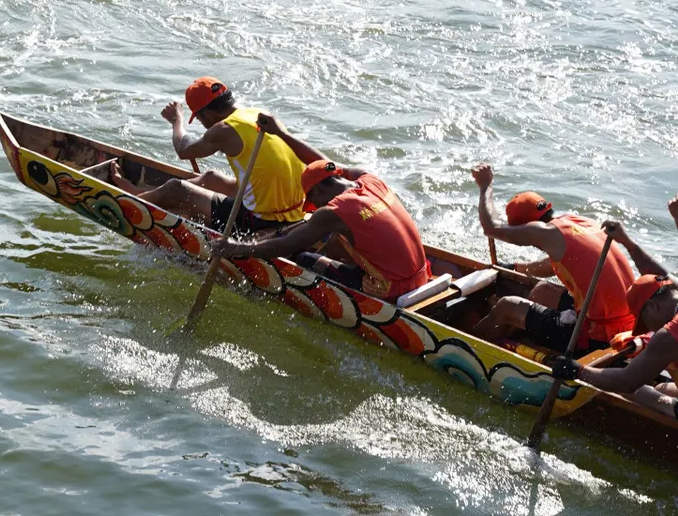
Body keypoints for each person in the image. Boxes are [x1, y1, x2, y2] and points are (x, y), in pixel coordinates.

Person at [219, 119, 430, 302]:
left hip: (390, 289)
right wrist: (282, 134)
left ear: (317, 190)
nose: (316, 208)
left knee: (303, 259)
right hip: (423, 274)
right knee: (336, 239)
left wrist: (235, 248)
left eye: (313, 203)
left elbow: (285, 245)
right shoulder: (370, 180)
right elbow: (324, 164)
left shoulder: (333, 211)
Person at [469, 164, 636, 353]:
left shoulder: (543, 232)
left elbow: (491, 228)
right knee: (542, 291)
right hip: (629, 325)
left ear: (527, 227)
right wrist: (516, 267)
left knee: (507, 305)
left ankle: (467, 346)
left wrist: (485, 186)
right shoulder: (576, 223)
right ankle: (517, 334)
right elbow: (554, 264)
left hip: (594, 336)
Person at [108, 77, 308, 235]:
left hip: (263, 219)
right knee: (212, 178)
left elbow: (184, 149)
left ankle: (133, 200)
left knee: (176, 189)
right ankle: (148, 196)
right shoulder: (259, 113)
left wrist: (177, 120)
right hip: (297, 209)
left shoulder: (225, 129)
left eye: (199, 119)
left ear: (207, 115)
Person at [550, 216, 678, 419]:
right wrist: (626, 241)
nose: (649, 328)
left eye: (643, 321)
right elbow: (659, 274)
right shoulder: (672, 292)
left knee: (638, 391)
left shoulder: (669, 333)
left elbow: (627, 381)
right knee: (662, 387)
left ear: (652, 306)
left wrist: (578, 371)